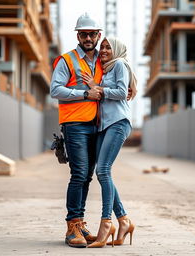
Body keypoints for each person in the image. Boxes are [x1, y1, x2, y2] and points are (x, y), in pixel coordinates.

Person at [50, 13, 103, 248]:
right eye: (84, 34)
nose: (88, 38)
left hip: (97, 125)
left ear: (98, 35)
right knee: (79, 174)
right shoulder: (67, 60)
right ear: (78, 35)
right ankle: (72, 226)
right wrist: (84, 93)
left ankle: (79, 223)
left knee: (88, 176)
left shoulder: (102, 61)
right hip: (75, 125)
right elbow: (55, 90)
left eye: (92, 34)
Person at [82, 37, 137, 248]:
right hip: (104, 126)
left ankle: (106, 224)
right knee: (103, 172)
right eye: (102, 47)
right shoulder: (107, 68)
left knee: (103, 171)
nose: (104, 50)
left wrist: (98, 88)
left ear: (117, 50)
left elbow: (122, 92)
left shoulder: (120, 64)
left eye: (108, 47)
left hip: (118, 123)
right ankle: (124, 221)